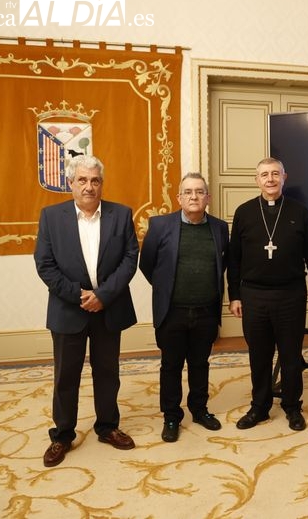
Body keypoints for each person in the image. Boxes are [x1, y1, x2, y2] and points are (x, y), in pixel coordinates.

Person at [34, 154, 138, 468]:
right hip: (69, 309)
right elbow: (45, 265)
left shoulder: (121, 215)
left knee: (108, 372)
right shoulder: (51, 217)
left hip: (109, 308)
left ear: (101, 183)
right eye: (82, 180)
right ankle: (63, 434)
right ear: (70, 184)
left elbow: (130, 259)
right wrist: (80, 295)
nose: (89, 186)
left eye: (95, 180)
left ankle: (107, 426)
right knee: (66, 375)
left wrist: (103, 295)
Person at [227, 157, 308, 431]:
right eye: (264, 175)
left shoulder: (300, 210)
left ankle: (292, 407)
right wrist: (235, 295)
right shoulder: (244, 212)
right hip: (254, 295)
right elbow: (233, 259)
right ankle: (259, 407)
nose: (270, 179)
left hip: (291, 294)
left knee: (291, 356)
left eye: (275, 174)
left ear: (284, 177)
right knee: (259, 355)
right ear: (257, 180)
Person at [139, 173, 229, 443]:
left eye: (200, 192)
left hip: (205, 311)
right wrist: (167, 287)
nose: (194, 197)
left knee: (200, 364)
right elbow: (147, 264)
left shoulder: (220, 228)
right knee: (171, 366)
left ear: (208, 198)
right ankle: (171, 416)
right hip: (172, 311)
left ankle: (200, 410)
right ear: (178, 198)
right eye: (188, 192)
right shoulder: (159, 225)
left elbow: (223, 265)